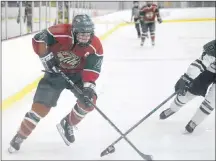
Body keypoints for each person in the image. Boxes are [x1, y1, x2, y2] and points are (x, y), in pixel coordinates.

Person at [8, 14, 104, 153]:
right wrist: (45, 56)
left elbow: (92, 69)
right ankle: (20, 135)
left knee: (89, 101)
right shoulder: (61, 31)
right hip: (55, 74)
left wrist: (88, 88)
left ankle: (68, 124)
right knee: (40, 109)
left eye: (87, 34)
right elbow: (38, 38)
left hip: (78, 75)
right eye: (81, 34)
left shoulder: (95, 45)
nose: (85, 38)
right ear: (74, 31)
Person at [160, 40, 216, 133]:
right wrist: (186, 78)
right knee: (190, 92)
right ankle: (173, 108)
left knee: (212, 100)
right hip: (210, 69)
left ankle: (195, 121)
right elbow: (202, 62)